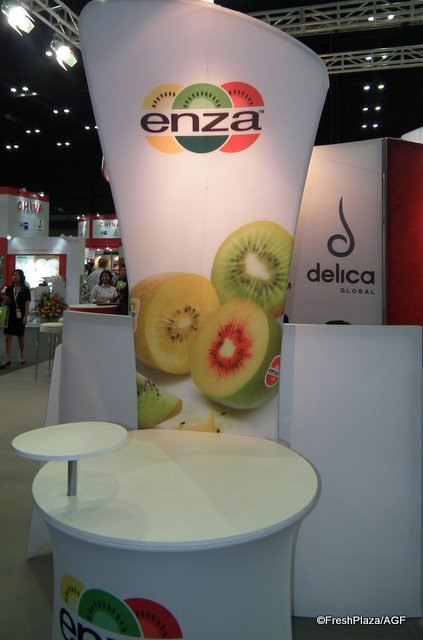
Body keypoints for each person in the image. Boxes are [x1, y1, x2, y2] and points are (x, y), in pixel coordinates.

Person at [1, 269, 31, 367]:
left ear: (21, 276)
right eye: (13, 275)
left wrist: (25, 316)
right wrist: (6, 299)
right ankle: (7, 358)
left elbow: (27, 304)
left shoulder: (25, 289)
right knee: (8, 337)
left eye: (16, 274)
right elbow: (6, 303)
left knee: (20, 336)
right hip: (10, 315)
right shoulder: (9, 289)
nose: (14, 276)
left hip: (20, 315)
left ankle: (21, 354)